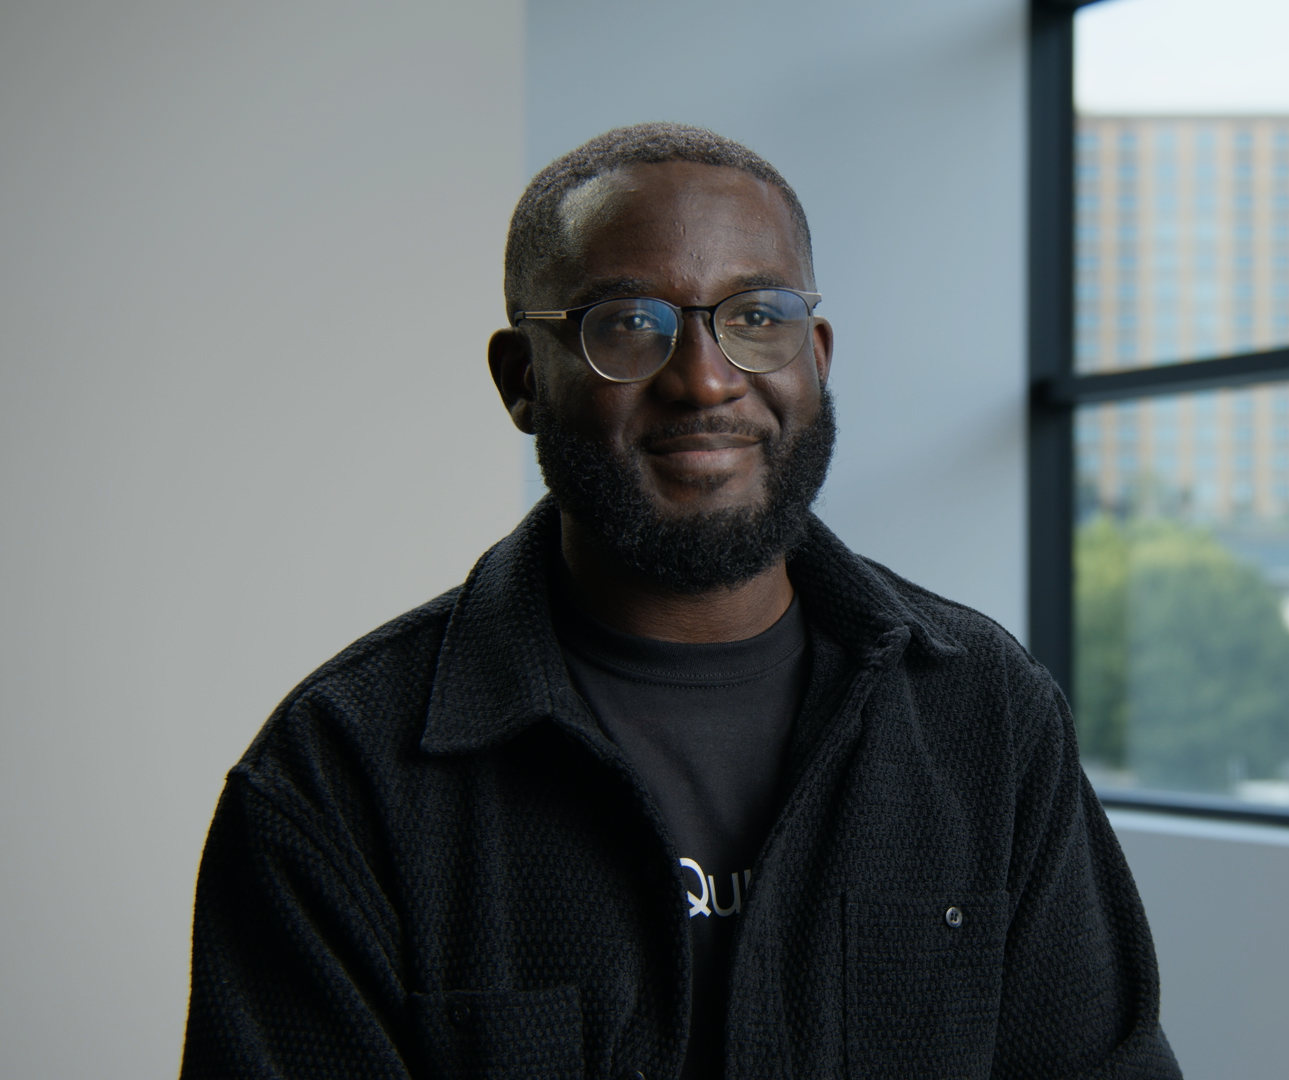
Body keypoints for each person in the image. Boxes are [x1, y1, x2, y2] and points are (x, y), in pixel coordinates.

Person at [181, 123, 1180, 1080]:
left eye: (756, 319)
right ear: (522, 378)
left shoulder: (983, 713)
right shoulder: (340, 773)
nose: (704, 381)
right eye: (629, 325)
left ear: (816, 358)